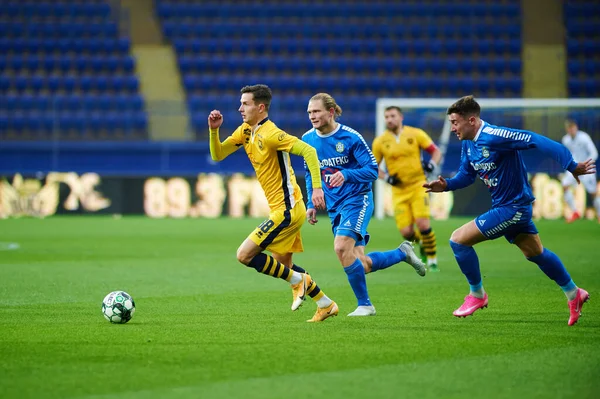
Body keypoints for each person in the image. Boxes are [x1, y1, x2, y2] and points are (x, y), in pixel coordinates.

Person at [424, 95, 595, 326]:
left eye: (455, 122)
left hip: (513, 208)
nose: (452, 127)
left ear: (472, 120)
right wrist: (446, 186)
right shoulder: (468, 142)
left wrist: (571, 165)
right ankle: (574, 294)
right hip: (509, 207)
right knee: (535, 253)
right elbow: (466, 175)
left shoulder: (496, 136)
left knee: (458, 241)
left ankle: (477, 295)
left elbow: (535, 140)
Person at [208, 84, 338, 322]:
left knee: (244, 255)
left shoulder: (272, 134)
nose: (240, 108)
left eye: (245, 104)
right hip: (284, 208)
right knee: (283, 265)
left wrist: (317, 188)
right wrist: (214, 131)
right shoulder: (246, 131)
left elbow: (309, 151)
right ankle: (325, 303)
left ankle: (299, 282)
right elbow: (217, 155)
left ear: (260, 107)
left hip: (287, 210)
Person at [302, 93, 426, 317]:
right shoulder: (307, 139)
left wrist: (346, 174)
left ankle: (365, 305)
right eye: (310, 112)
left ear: (330, 112)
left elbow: (372, 170)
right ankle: (402, 253)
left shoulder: (350, 138)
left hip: (357, 198)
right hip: (334, 204)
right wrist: (311, 201)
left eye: (317, 111)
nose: (312, 116)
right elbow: (311, 173)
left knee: (340, 248)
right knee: (362, 263)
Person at [372, 106, 442, 272]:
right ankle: (424, 244)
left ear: (401, 117)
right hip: (399, 191)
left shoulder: (415, 133)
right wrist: (387, 177)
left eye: (392, 116)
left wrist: (431, 165)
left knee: (423, 224)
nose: (389, 119)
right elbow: (373, 167)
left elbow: (435, 151)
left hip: (419, 185)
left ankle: (432, 261)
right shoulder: (380, 141)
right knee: (406, 232)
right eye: (386, 116)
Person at [561, 119, 599, 223]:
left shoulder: (584, 137)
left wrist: (586, 164)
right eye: (569, 128)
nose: (571, 130)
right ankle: (575, 212)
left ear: (576, 127)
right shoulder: (566, 140)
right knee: (564, 185)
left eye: (573, 128)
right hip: (574, 167)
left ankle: (599, 215)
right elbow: (567, 156)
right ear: (567, 130)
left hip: (586, 167)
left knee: (593, 193)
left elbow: (594, 153)